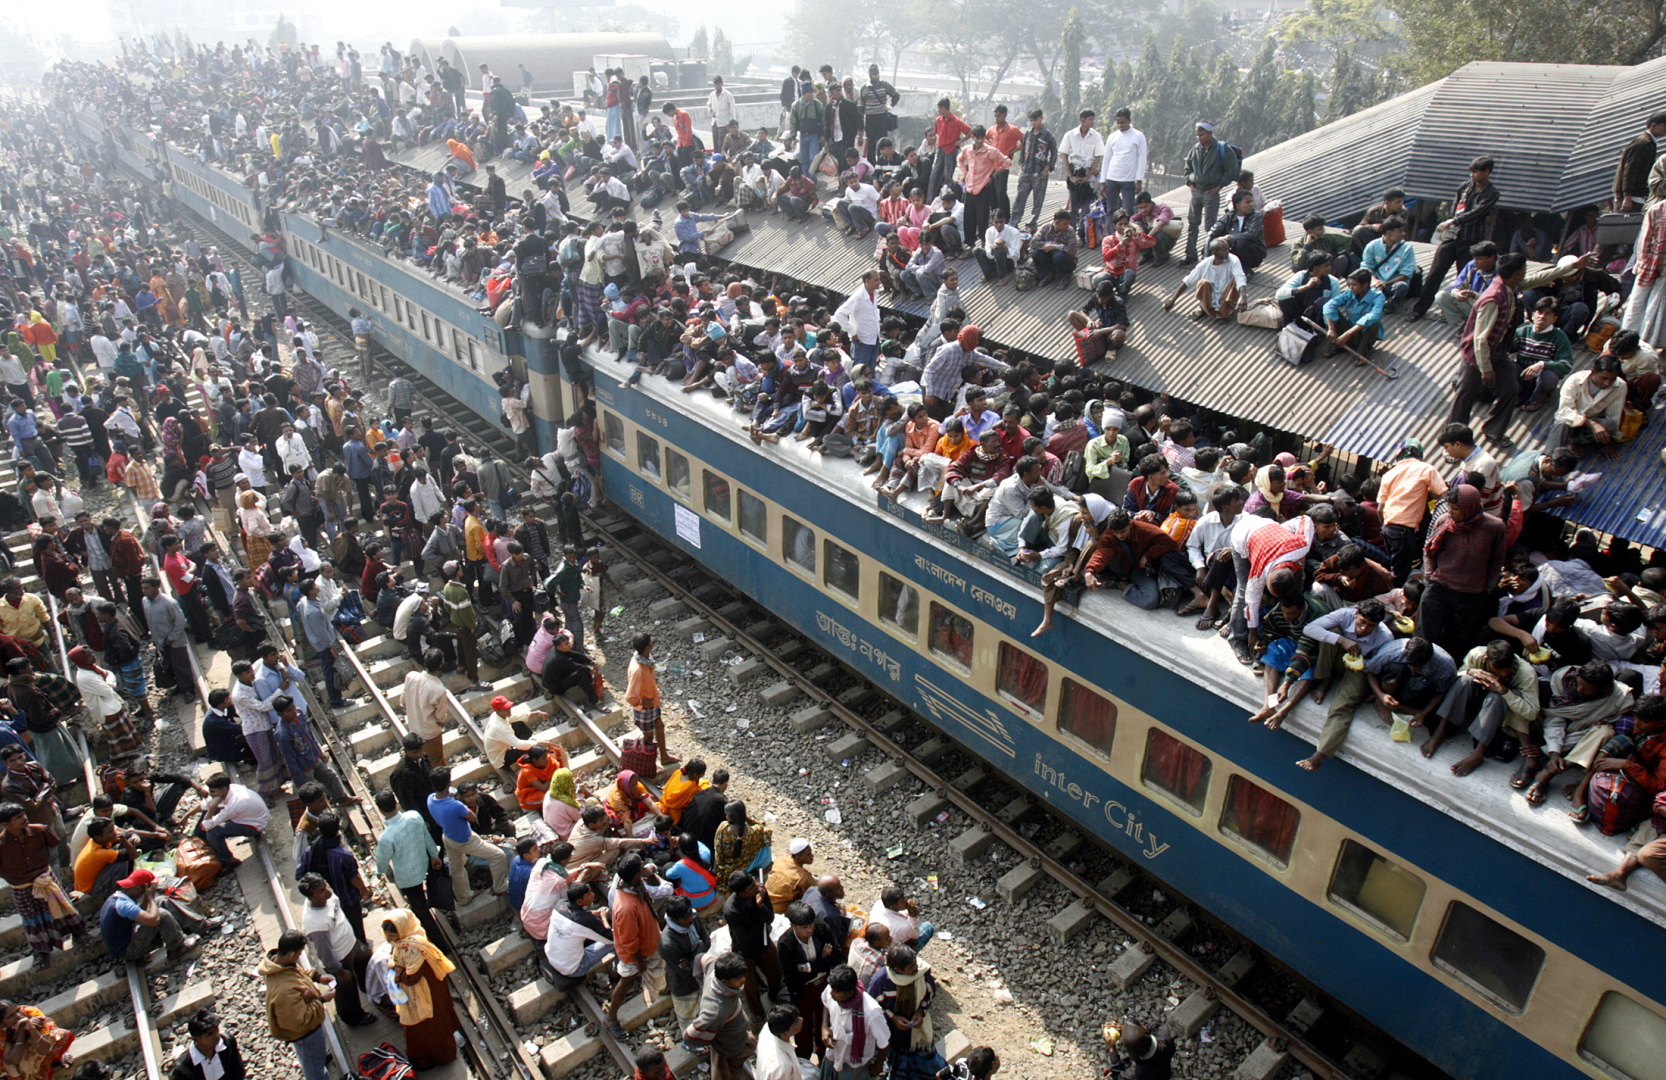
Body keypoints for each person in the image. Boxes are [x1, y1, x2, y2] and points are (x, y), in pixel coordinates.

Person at [1410, 156, 1501, 320]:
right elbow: (1455, 208)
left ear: (1487, 172)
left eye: (1476, 172)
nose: (1472, 175)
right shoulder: (1465, 187)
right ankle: (1419, 309)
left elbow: (1478, 212)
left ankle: (1456, 313)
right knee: (1434, 275)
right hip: (1452, 238)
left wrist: (1454, 220)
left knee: (1464, 278)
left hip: (1471, 241)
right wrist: (1452, 222)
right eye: (1471, 172)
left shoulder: (1492, 193)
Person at [0, 801, 86, 969]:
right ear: (5, 824)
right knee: (32, 918)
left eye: (23, 815)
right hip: (21, 886)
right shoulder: (1, 845)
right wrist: (17, 878)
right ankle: (42, 951)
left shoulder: (40, 830)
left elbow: (52, 847)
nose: (24, 819)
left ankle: (79, 933)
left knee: (63, 906)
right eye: (18, 818)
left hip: (45, 878)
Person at [382, 908, 460, 1068]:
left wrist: (395, 968)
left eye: (392, 936)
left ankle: (437, 1057)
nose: (389, 940)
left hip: (423, 994)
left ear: (402, 930)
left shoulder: (413, 949)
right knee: (439, 1018)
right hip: (432, 988)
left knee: (426, 1027)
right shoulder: (414, 938)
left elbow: (411, 978)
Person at [297, 873, 376, 1027]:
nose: (327, 891)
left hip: (352, 943)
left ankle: (369, 989)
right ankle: (353, 1018)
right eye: (321, 891)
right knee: (347, 991)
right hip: (339, 958)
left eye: (325, 885)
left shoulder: (328, 896)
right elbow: (324, 953)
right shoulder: (315, 923)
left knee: (366, 961)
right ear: (311, 898)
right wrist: (339, 971)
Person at [372, 789, 449, 942]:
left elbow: (382, 860)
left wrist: (380, 871)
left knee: (420, 907)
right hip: (423, 863)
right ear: (395, 801)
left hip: (407, 878)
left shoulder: (386, 838)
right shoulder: (414, 816)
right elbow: (427, 837)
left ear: (380, 810)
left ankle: (438, 940)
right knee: (433, 887)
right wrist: (434, 855)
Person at [99, 867, 216, 966]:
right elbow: (154, 920)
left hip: (130, 937)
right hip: (129, 951)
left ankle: (199, 924)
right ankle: (177, 947)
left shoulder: (119, 897)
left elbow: (142, 910)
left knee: (160, 900)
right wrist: (150, 897)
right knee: (160, 914)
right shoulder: (123, 905)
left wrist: (149, 895)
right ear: (139, 888)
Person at [604, 853, 666, 1039]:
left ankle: (661, 985)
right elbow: (629, 942)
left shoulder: (633, 886)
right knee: (627, 981)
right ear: (634, 876)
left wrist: (649, 874)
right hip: (635, 954)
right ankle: (611, 1017)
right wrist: (639, 961)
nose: (643, 867)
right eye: (640, 868)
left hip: (650, 941)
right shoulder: (626, 907)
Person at [260, 929, 336, 1080]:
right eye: (300, 952)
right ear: (290, 954)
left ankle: (320, 1058)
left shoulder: (281, 964)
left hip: (311, 1032)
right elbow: (300, 1021)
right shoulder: (284, 992)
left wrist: (317, 977)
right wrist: (321, 1000)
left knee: (316, 1059)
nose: (301, 956)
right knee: (315, 1073)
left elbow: (297, 975)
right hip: (306, 1036)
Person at [428, 766, 508, 903]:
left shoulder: (430, 799)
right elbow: (472, 818)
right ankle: (500, 887)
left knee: (456, 868)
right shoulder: (455, 805)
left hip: (447, 836)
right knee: (498, 856)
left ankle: (463, 897)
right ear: (448, 783)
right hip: (465, 839)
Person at [776, 900, 837, 1060]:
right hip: (802, 990)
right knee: (802, 1026)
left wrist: (807, 967)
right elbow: (791, 975)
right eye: (804, 927)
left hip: (824, 984)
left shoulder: (822, 928)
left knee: (824, 1021)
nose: (810, 929)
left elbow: (836, 956)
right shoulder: (785, 944)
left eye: (811, 925)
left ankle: (823, 1054)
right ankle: (803, 1059)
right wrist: (821, 963)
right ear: (793, 926)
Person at [723, 870, 784, 1020]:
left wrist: (761, 906)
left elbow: (769, 918)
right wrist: (756, 907)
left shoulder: (760, 892)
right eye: (751, 886)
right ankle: (757, 1013)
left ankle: (776, 996)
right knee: (749, 986)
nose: (756, 886)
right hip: (744, 950)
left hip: (763, 941)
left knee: (776, 972)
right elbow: (745, 936)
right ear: (742, 892)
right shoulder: (731, 910)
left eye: (754, 882)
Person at [686, 951, 755, 1080]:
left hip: (735, 1031)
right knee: (728, 1071)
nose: (744, 980)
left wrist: (702, 987)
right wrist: (706, 1039)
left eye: (743, 976)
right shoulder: (717, 1010)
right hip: (729, 1046)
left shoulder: (714, 965)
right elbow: (690, 1036)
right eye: (738, 979)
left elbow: (699, 959)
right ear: (725, 981)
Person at [1182, 121, 1234, 264]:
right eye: (1197, 135)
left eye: (1202, 134)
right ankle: (1190, 255)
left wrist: (1219, 186)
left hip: (1211, 192)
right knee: (1192, 224)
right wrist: (1190, 182)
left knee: (1210, 226)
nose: (1199, 137)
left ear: (1210, 133)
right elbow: (1188, 167)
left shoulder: (1222, 149)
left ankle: (1207, 255)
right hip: (1196, 191)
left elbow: (1232, 170)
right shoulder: (1196, 149)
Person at [627, 633, 678, 767]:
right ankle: (648, 763)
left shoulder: (642, 659)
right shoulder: (638, 670)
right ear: (647, 647)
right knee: (648, 737)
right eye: (651, 642)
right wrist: (644, 703)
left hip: (653, 703)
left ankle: (664, 756)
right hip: (645, 708)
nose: (652, 643)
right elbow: (630, 697)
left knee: (659, 726)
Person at [1164, 238, 1243, 320]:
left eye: (1227, 249)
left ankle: (1224, 314)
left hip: (1225, 300)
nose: (1227, 252)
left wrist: (1243, 297)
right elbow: (1187, 281)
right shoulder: (1204, 264)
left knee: (1237, 280)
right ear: (1214, 253)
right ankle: (1205, 308)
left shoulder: (1233, 260)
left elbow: (1241, 278)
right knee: (1203, 283)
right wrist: (1172, 300)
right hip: (1210, 300)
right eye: (1224, 250)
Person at [169, 1008, 246, 1080]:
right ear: (196, 1038)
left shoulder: (228, 1044)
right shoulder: (184, 1067)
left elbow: (238, 1071)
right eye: (210, 1034)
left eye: (217, 1030)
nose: (216, 1036)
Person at [1106, 1021, 1175, 1080]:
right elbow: (1150, 1027)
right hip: (1164, 1071)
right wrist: (1129, 1030)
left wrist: (1112, 1048)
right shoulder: (1164, 1037)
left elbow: (1118, 1076)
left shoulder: (1138, 1073)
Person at [766, 837, 815, 913]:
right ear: (799, 858)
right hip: (779, 910)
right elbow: (811, 895)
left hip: (766, 900)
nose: (812, 856)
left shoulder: (782, 860)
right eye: (809, 855)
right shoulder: (804, 878)